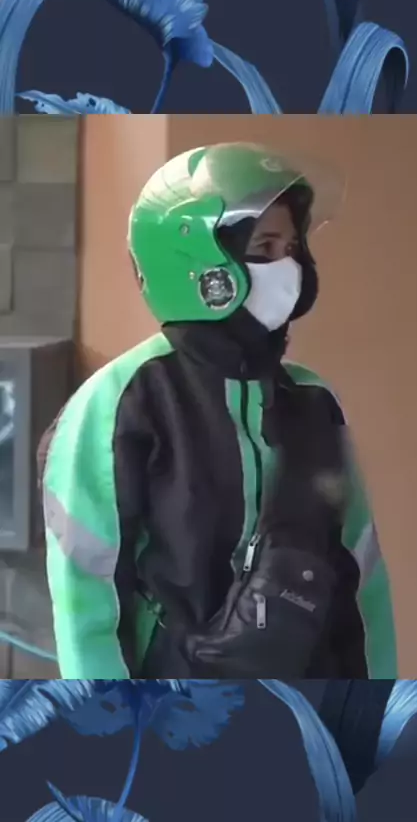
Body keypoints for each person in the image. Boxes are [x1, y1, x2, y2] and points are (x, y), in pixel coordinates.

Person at [38, 142, 396, 680]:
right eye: (265, 247)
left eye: (292, 247)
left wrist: (379, 704)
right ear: (200, 265)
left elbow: (361, 576)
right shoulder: (122, 402)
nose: (288, 266)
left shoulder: (313, 400)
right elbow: (86, 596)